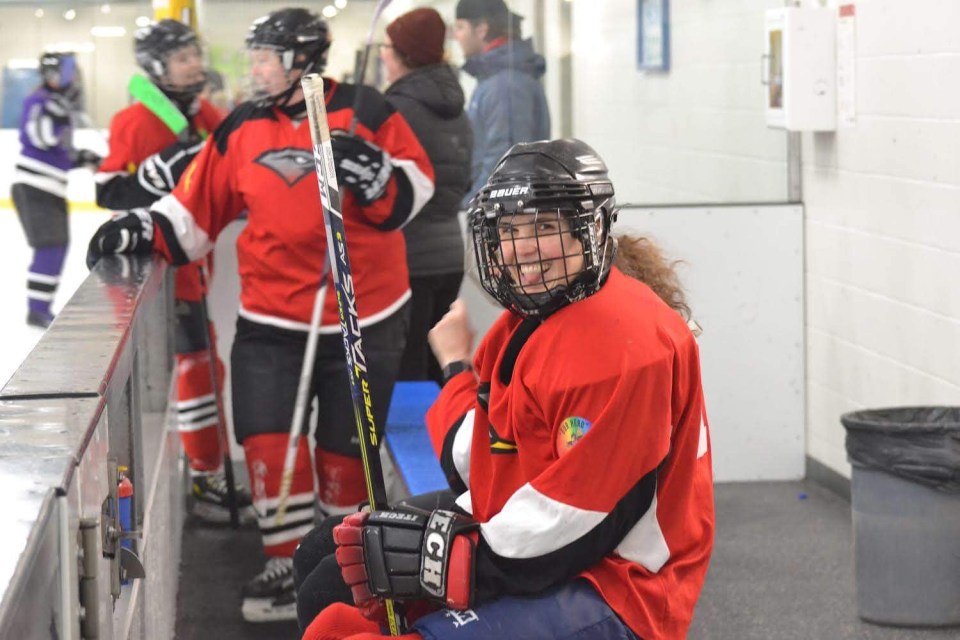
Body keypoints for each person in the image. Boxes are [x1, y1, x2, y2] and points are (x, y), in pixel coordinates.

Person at [86, 7, 435, 623]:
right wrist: (143, 227)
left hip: (364, 315)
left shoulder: (367, 110)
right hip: (272, 318)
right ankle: (286, 558)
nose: (253, 69)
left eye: (265, 57)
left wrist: (381, 177)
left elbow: (414, 191)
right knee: (268, 439)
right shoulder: (243, 126)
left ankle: (343, 563)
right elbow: (197, 210)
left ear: (302, 59)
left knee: (344, 451)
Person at [294, 139, 715, 640]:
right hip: (534, 537)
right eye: (511, 230)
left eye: (544, 227)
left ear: (592, 228)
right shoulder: (526, 323)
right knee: (329, 566)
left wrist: (454, 559)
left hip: (618, 584)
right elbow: (475, 461)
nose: (522, 249)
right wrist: (454, 369)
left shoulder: (627, 346)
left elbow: (584, 518)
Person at [93, 19, 254, 527]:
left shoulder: (204, 114)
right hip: (162, 270)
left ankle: (205, 469)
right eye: (182, 57)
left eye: (193, 54)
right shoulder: (135, 120)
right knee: (193, 371)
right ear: (158, 66)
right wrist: (161, 168)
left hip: (195, 263)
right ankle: (204, 473)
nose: (195, 63)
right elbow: (110, 193)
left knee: (208, 367)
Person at [379, 8, 474, 384]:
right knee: (443, 363)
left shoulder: (394, 111)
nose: (383, 54)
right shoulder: (458, 112)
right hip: (450, 253)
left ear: (404, 53)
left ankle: (421, 442)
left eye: (388, 46)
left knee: (408, 368)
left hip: (408, 259)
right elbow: (462, 183)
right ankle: (448, 439)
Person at [12, 51, 101, 329]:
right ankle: (37, 310)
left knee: (58, 246)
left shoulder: (57, 104)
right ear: (52, 74)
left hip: (49, 188)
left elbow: (60, 151)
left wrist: (84, 158)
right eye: (68, 72)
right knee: (50, 246)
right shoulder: (39, 101)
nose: (73, 77)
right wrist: (59, 111)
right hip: (34, 187)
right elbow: (40, 136)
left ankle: (40, 307)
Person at [452, 0, 550, 203]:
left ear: (481, 29)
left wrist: (470, 208)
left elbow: (505, 167)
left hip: (499, 217)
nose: (456, 36)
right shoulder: (493, 79)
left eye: (460, 27)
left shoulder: (505, 85)